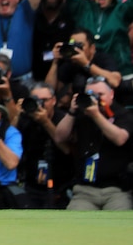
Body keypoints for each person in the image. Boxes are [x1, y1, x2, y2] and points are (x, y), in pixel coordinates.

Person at [54, 77, 133, 210]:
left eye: (100, 95)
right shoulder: (80, 114)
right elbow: (59, 137)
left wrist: (96, 115)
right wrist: (72, 112)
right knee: (74, 223)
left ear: (111, 94)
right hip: (85, 191)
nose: (95, 99)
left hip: (116, 190)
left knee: (120, 221)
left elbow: (120, 139)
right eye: (90, 95)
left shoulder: (122, 114)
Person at [13, 82, 71, 209]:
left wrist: (45, 122)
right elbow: (10, 141)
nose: (41, 104)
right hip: (30, 185)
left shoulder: (63, 118)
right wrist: (16, 115)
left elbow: (67, 149)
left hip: (61, 186)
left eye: (45, 100)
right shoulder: (26, 119)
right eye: (36, 100)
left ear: (54, 100)